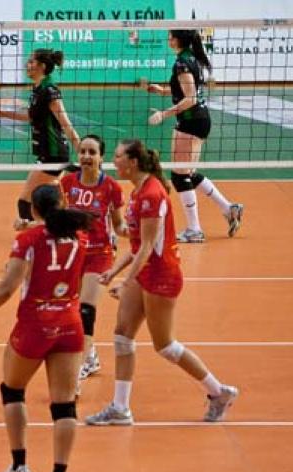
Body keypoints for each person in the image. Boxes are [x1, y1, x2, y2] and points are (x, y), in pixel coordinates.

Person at [85, 139, 238, 426]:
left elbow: (146, 247)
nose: (113, 161)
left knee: (165, 346)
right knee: (122, 336)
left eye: (118, 156)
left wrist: (126, 282)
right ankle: (120, 408)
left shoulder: (152, 194)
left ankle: (219, 391)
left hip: (162, 276)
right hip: (145, 272)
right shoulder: (138, 191)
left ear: (132, 162)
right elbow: (136, 245)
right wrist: (114, 272)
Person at [0, 183, 93, 472]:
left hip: (36, 324)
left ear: (34, 209)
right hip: (70, 323)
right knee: (64, 405)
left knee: (12, 390)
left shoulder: (28, 240)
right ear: (62, 202)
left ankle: (19, 466)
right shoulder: (81, 238)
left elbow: (7, 288)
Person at [142, 29, 243, 243]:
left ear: (178, 40)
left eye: (170, 36)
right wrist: (162, 91)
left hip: (191, 121)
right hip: (198, 120)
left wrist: (163, 114)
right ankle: (229, 208)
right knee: (189, 173)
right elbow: (189, 90)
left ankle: (194, 230)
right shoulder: (191, 58)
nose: (168, 39)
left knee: (180, 176)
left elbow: (191, 98)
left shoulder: (182, 63)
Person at [60, 134, 127, 393]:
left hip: (100, 254)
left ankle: (75, 374)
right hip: (74, 253)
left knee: (86, 311)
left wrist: (133, 231)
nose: (86, 156)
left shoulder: (111, 187)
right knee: (71, 308)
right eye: (83, 152)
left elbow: (118, 224)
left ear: (101, 157)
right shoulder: (67, 183)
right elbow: (59, 217)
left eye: (92, 152)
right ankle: (91, 357)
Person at [0, 48, 81, 229]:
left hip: (53, 154)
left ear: (42, 66)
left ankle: (37, 235)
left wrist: (83, 150)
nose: (28, 65)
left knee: (25, 202)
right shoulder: (39, 89)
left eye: (32, 62)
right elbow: (32, 117)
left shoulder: (50, 91)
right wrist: (3, 114)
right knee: (50, 201)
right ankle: (60, 228)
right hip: (48, 153)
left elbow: (66, 124)